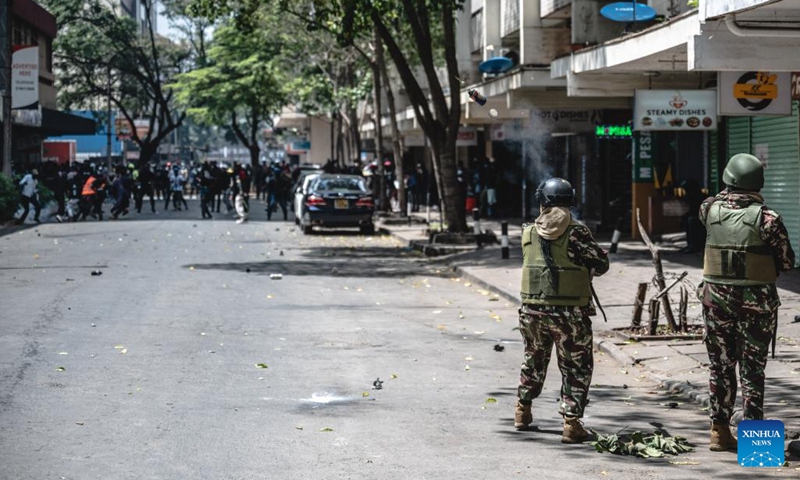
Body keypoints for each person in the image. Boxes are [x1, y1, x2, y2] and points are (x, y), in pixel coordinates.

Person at [698, 153, 795, 452]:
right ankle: (756, 446)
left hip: (716, 303)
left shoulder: (708, 209)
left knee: (720, 367)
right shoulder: (768, 219)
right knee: (752, 370)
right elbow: (787, 262)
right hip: (756, 305)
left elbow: (715, 201)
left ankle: (719, 431)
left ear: (728, 180)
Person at [515, 177, 609, 444]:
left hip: (532, 312)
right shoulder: (578, 233)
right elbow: (601, 264)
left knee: (533, 360)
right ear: (571, 201)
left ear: (542, 201)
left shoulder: (528, 232)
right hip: (570, 315)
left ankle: (522, 410)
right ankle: (571, 424)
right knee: (576, 367)